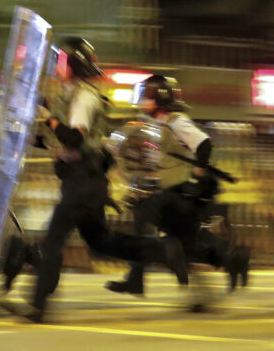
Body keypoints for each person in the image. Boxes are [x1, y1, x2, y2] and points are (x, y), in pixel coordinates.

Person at [27, 37, 189, 323]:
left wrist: (48, 118)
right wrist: (33, 136)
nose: (56, 63)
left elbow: (75, 139)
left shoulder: (84, 97)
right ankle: (164, 249)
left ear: (72, 63)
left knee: (52, 240)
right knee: (101, 242)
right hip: (84, 181)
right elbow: (62, 143)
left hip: (83, 182)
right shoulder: (72, 94)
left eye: (61, 59)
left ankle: (38, 304)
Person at [104, 75, 250, 297]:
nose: (143, 101)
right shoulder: (155, 125)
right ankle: (232, 260)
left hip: (183, 193)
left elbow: (204, 145)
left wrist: (196, 179)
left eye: (148, 96)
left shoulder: (176, 122)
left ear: (160, 98)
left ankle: (137, 278)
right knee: (190, 244)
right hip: (173, 192)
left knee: (144, 215)